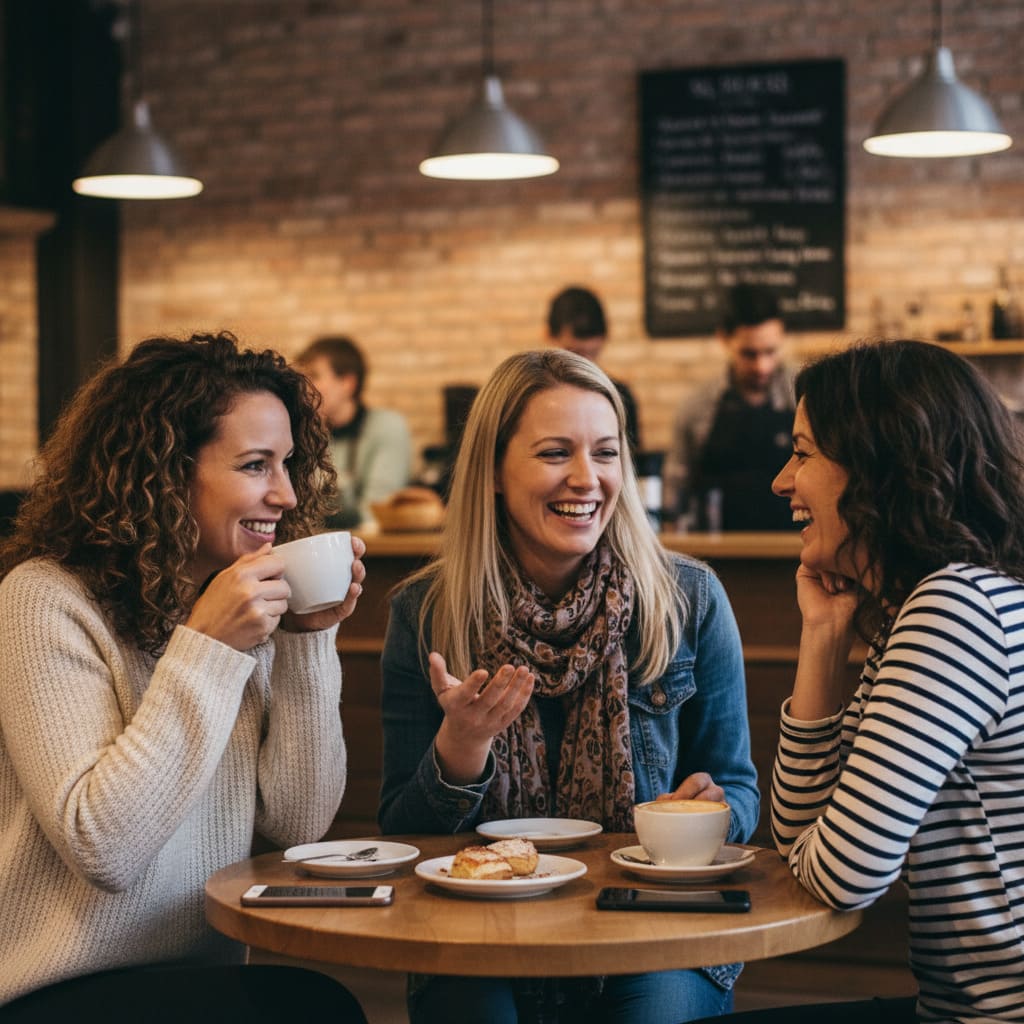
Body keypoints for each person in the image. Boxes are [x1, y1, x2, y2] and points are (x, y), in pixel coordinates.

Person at [379, 348, 759, 1023]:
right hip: (477, 934)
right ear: (494, 472)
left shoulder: (688, 598)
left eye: (606, 453)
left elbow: (739, 788)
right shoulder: (427, 611)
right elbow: (404, 837)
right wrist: (461, 748)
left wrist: (713, 811)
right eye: (556, 453)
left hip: (655, 928)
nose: (587, 479)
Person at [0, 332, 367, 1017]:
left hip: (196, 974)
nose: (286, 494)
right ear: (167, 472)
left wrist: (309, 643)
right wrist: (206, 646)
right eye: (256, 465)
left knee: (320, 1005)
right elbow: (104, 848)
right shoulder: (44, 599)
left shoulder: (237, 606)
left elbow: (299, 824)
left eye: (288, 464)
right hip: (53, 988)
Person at [705, 340, 1024, 1024]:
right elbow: (799, 840)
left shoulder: (954, 610)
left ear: (881, 464)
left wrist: (825, 848)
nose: (781, 481)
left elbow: (843, 875)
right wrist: (823, 638)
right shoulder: (939, 604)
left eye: (804, 452)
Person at [662, 284, 794, 532]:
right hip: (716, 558)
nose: (762, 366)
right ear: (723, 338)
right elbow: (675, 491)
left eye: (770, 352)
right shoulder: (697, 406)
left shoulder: (804, 397)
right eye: (749, 354)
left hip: (796, 556)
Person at [295, 335, 412, 528]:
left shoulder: (388, 427)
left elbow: (376, 509)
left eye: (315, 375)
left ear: (347, 383)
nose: (304, 386)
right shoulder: (306, 432)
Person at [546, 285, 642, 456]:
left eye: (592, 353)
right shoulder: (536, 398)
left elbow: (631, 463)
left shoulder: (621, 396)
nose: (584, 363)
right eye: (573, 353)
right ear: (549, 336)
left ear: (605, 339)